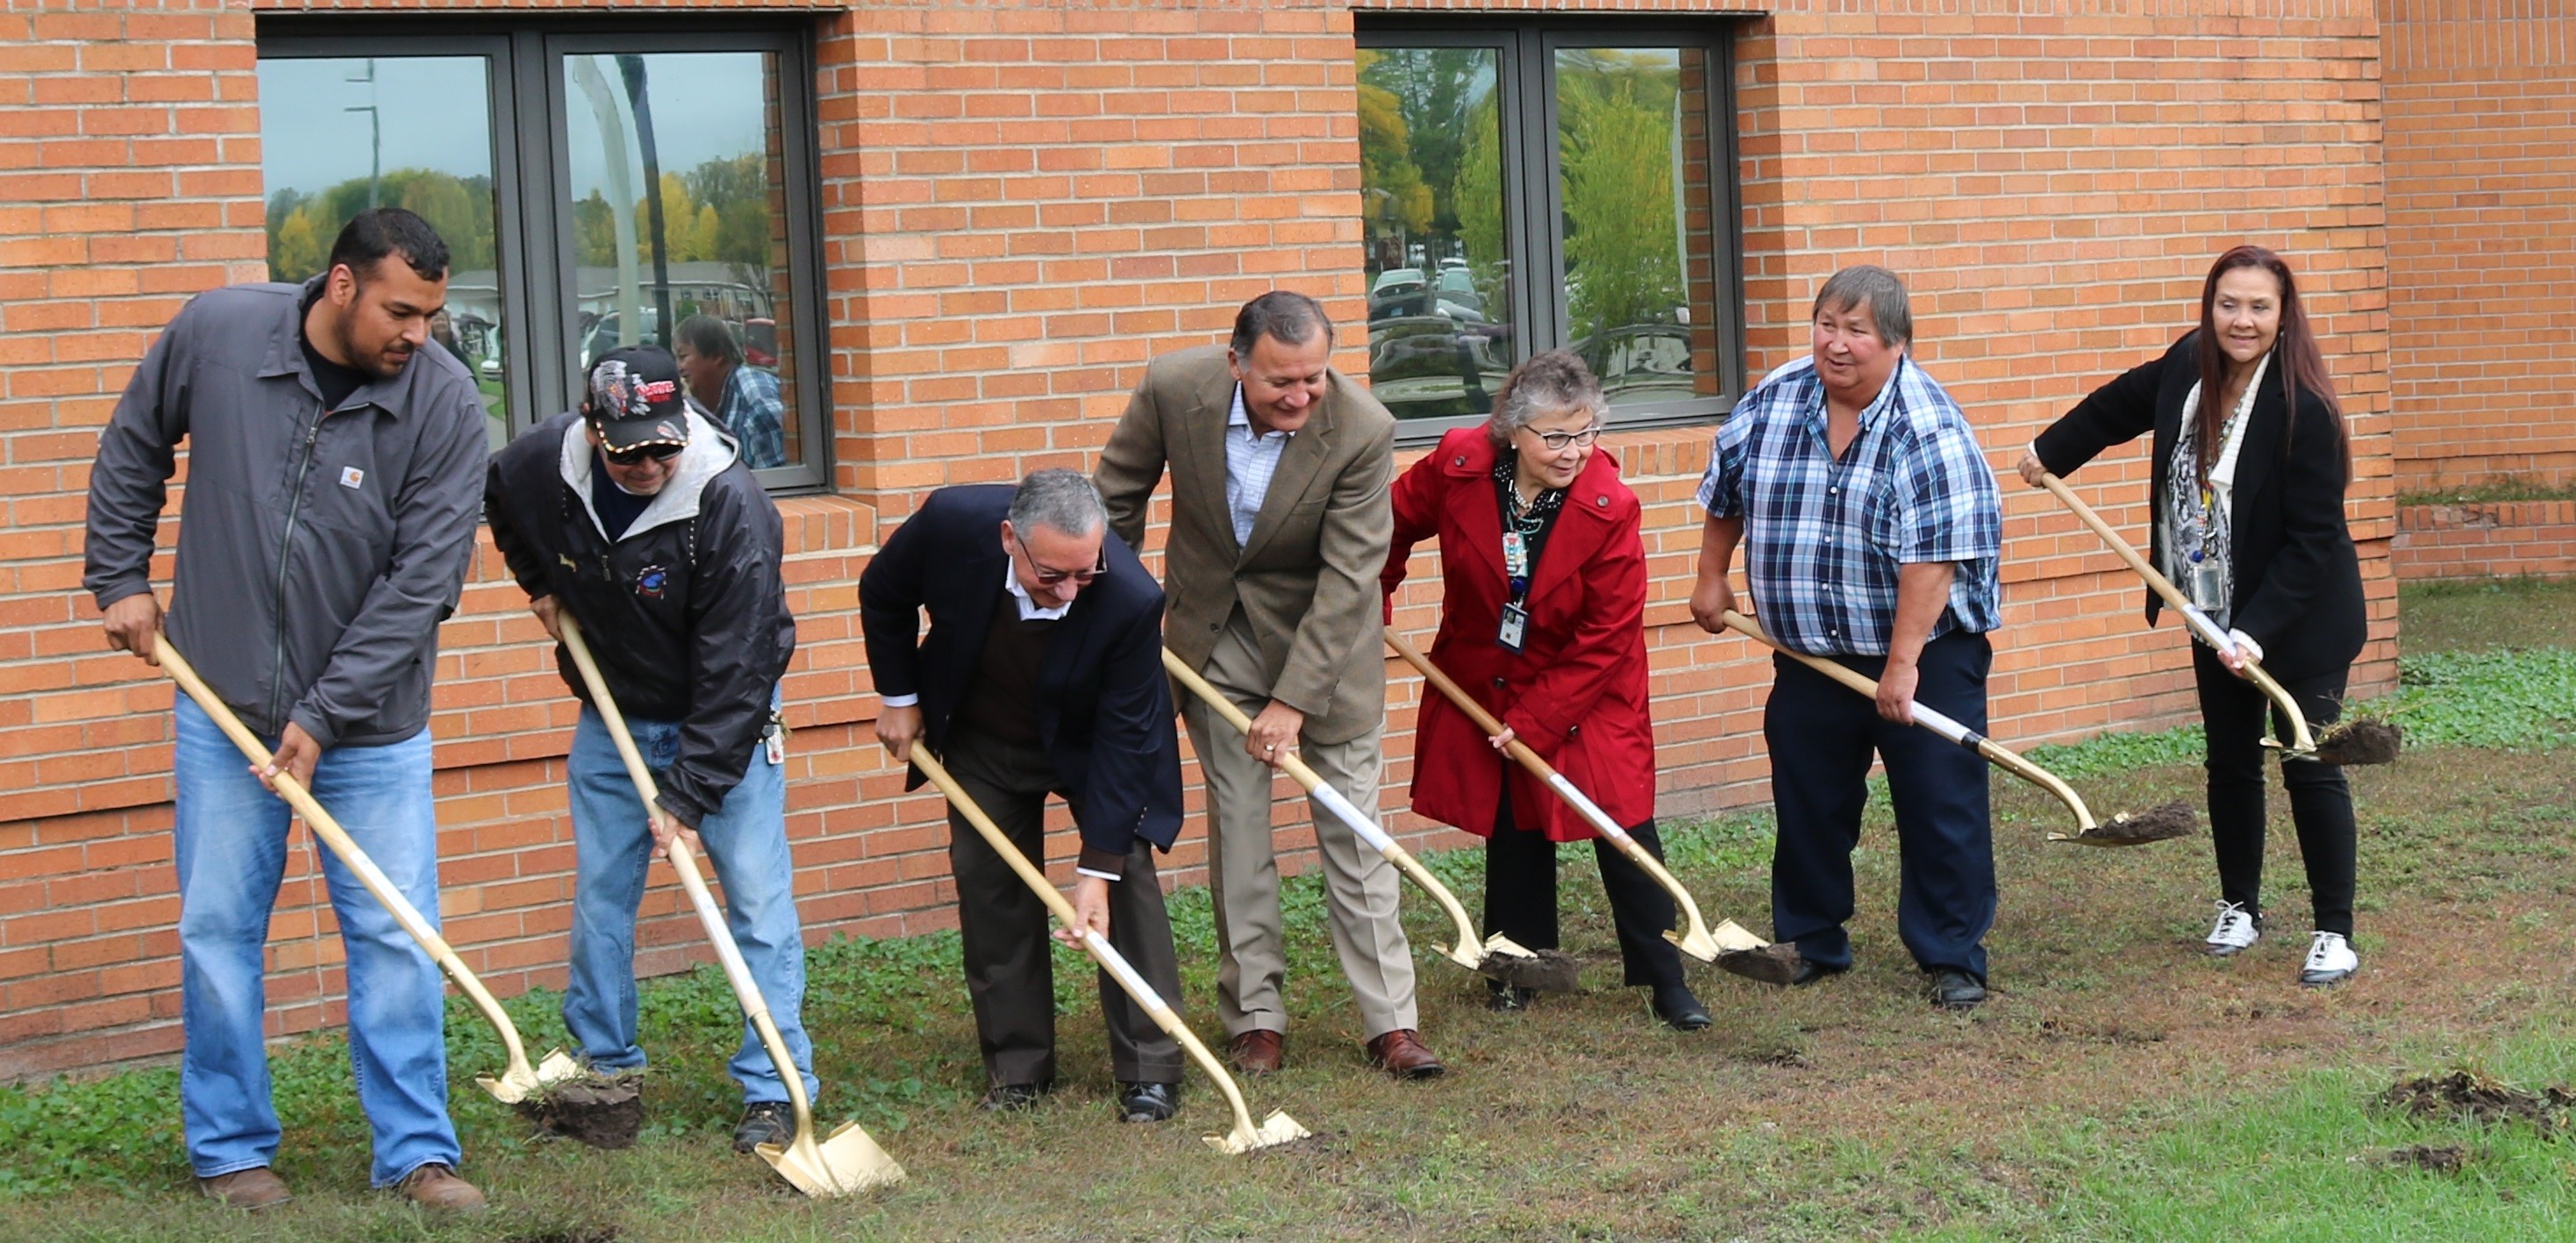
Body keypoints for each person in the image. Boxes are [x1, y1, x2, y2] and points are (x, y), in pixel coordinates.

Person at [83, 208, 490, 1211]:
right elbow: (135, 441)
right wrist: (119, 577)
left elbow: (424, 580)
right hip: (221, 702)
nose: (417, 334)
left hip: (371, 728)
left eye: (432, 315)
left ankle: (417, 1153)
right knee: (218, 928)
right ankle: (229, 1149)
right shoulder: (219, 335)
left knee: (396, 934)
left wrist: (322, 715)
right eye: (401, 310)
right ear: (342, 285)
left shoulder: (442, 401)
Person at [1097, 291, 1445, 1079]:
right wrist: (1108, 615)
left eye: (1313, 379)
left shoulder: (1363, 429)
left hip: (1325, 650)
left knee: (1353, 833)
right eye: (1278, 382)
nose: (1299, 396)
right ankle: (1255, 1014)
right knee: (1240, 831)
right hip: (1214, 636)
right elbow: (1115, 499)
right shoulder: (1170, 388)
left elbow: (1349, 577)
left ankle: (1391, 1022)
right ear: (1235, 365)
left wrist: (1292, 703)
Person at [483, 345, 817, 1154]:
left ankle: (775, 1086)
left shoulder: (729, 500)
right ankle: (606, 1064)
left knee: (756, 900)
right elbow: (501, 500)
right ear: (593, 428)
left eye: (665, 445)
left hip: (724, 715)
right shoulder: (539, 464)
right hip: (615, 711)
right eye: (630, 450)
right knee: (602, 893)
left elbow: (740, 665)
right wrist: (541, 584)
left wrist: (688, 793)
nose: (650, 464)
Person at [2017, 245, 2366, 986]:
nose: (2241, 320)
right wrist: (2049, 451)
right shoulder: (2188, 366)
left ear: (2283, 316)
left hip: (2296, 620)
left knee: (2308, 763)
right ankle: (2239, 904)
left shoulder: (2305, 410)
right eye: (2228, 304)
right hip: (2207, 601)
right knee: (2230, 761)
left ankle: (2333, 930)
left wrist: (2253, 631)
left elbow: (2313, 545)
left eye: (2258, 307)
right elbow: (2118, 403)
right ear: (2210, 308)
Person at [1687, 265, 2004, 1011]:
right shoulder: (1776, 396)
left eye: (1856, 330)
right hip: (1809, 656)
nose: (1836, 343)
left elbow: (1932, 560)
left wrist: (1902, 668)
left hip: (1926, 654)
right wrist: (1711, 575)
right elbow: (1724, 487)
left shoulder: (1927, 426)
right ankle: (1810, 938)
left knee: (1939, 804)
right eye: (1827, 323)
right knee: (1809, 799)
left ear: (1894, 342)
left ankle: (1951, 953)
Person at [1382, 351, 1710, 1031]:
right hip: (1489, 669)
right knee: (1512, 818)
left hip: (1588, 679)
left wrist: (1538, 718)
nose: (1573, 451)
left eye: (1585, 433)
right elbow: (1383, 525)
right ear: (1512, 430)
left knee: (1620, 817)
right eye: (1555, 436)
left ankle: (1663, 978)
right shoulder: (1458, 462)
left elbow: (1608, 631)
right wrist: (1374, 599)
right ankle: (1517, 966)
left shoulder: (1609, 505)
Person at [859, 470, 1190, 1121]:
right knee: (990, 883)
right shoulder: (950, 525)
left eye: (1083, 573)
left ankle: (1150, 1066)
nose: (1068, 591)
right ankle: (1018, 1067)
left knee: (1127, 880)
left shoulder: (1128, 598)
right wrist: (898, 697)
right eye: (1051, 575)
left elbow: (1127, 744)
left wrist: (1096, 867)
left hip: (1095, 741)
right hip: (985, 729)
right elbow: (883, 590)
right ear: (1009, 537)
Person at [673, 313, 785, 468]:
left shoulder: (756, 398)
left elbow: (778, 481)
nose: (679, 368)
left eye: (683, 356)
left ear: (717, 355)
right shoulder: (706, 402)